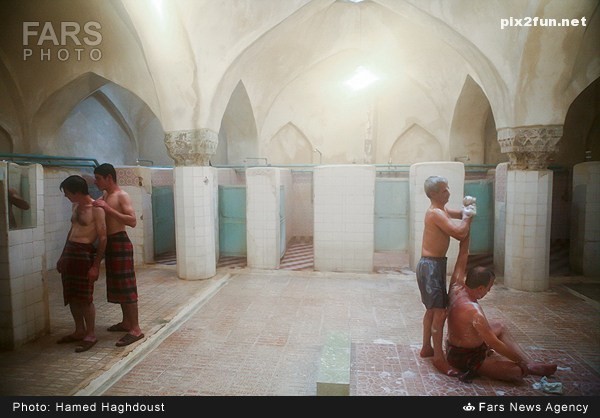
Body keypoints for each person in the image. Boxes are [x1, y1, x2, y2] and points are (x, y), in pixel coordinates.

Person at [446, 234, 558, 383]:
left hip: (454, 347)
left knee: (500, 325)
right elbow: (494, 343)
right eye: (489, 288)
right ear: (480, 288)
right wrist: (519, 361)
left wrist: (466, 228)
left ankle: (530, 363)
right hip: (465, 357)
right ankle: (527, 365)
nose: (488, 291)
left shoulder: (455, 287)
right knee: (517, 372)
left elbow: (462, 255)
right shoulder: (473, 311)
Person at [416, 175, 474, 376]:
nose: (448, 192)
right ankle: (439, 358)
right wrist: (468, 217)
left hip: (435, 265)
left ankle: (427, 347)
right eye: (444, 190)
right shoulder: (435, 213)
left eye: (448, 188)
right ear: (433, 194)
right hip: (430, 267)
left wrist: (467, 210)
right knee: (439, 312)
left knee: (432, 310)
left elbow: (461, 215)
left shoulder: (443, 210)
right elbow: (459, 232)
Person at [93, 163, 145, 347]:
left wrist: (108, 209)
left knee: (127, 287)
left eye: (98, 178)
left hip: (120, 242)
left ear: (109, 177)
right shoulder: (106, 195)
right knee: (119, 286)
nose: (95, 182)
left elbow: (132, 221)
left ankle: (136, 329)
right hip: (110, 243)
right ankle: (126, 322)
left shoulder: (122, 195)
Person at [56, 175, 107, 353]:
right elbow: (71, 231)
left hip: (84, 254)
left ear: (76, 192)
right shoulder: (75, 206)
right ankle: (79, 330)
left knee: (85, 298)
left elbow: (103, 238)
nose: (66, 196)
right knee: (71, 295)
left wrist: (96, 266)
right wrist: (63, 255)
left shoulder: (96, 209)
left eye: (67, 192)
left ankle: (90, 334)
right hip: (71, 253)